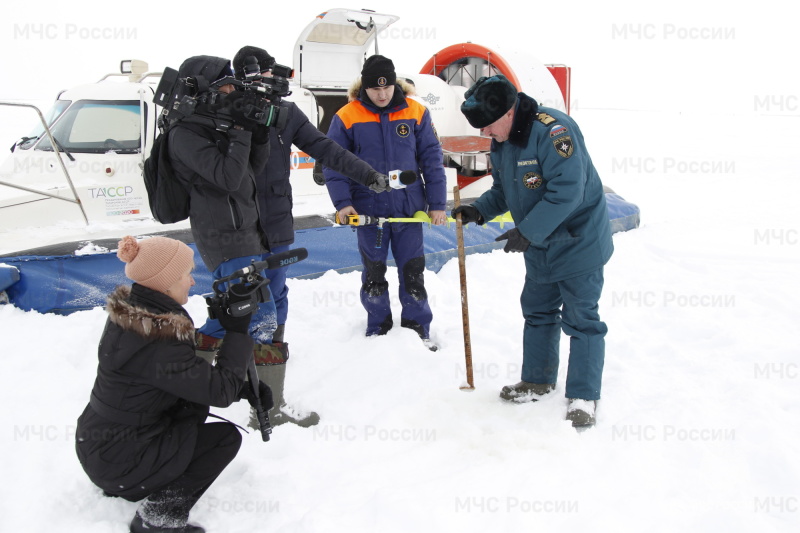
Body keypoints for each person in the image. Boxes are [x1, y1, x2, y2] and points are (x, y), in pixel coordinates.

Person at [229, 46, 392, 427]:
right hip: (236, 228)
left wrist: (366, 174)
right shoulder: (227, 112)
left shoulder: (285, 113)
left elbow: (324, 147)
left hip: (277, 224)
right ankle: (227, 391)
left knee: (276, 300)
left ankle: (269, 400)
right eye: (262, 76)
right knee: (240, 305)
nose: (269, 84)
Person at [75, 236, 270, 533]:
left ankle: (132, 483)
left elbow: (175, 379)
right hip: (118, 457)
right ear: (165, 283)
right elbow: (218, 391)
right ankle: (157, 522)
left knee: (193, 406)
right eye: (186, 274)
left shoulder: (136, 314)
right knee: (224, 439)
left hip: (101, 445)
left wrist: (242, 390)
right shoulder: (158, 337)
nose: (192, 282)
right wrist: (238, 333)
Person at [452, 75, 613, 428]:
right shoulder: (503, 140)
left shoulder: (555, 133)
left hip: (577, 240)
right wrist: (480, 209)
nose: (486, 135)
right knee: (538, 310)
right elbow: (504, 189)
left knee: (582, 320)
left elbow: (568, 192)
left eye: (488, 126)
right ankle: (538, 380)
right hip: (539, 242)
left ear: (509, 112)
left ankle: (584, 396)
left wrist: (527, 231)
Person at [162, 56, 309, 428]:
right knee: (256, 317)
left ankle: (184, 385)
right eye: (227, 87)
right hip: (224, 237)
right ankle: (265, 410)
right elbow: (228, 178)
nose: (232, 93)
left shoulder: (214, 124)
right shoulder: (185, 134)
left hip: (246, 232)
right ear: (205, 91)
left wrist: (256, 131)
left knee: (236, 316)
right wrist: (241, 129)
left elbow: (250, 170)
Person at [323, 55, 447, 350]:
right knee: (374, 273)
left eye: (387, 88)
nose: (382, 94)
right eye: (375, 89)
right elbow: (333, 163)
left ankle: (418, 326)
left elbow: (431, 159)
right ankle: (378, 327)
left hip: (408, 211)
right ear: (364, 87)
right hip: (369, 212)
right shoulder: (346, 116)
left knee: (413, 271)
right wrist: (343, 203)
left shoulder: (417, 111)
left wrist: (438, 204)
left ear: (395, 84)